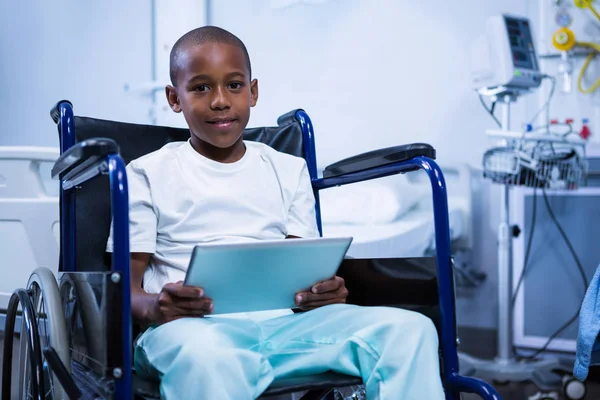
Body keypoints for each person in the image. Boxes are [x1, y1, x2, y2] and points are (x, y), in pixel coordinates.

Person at [106, 25, 445, 400]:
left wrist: (323, 291)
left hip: (287, 328)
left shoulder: (287, 169)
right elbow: (125, 291)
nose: (220, 100)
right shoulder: (144, 174)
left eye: (234, 85)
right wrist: (156, 306)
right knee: (211, 358)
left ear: (253, 92)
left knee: (410, 331)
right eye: (201, 87)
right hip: (191, 332)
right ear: (174, 97)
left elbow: (303, 272)